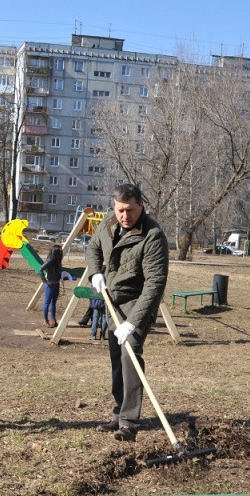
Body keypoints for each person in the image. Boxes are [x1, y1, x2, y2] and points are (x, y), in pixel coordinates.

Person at [86, 183, 169, 442]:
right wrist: (95, 272)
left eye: (130, 210)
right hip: (113, 303)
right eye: (120, 210)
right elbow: (93, 248)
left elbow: (155, 284)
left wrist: (132, 323)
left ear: (141, 205)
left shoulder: (152, 235)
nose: (125, 216)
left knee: (130, 355)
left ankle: (129, 423)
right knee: (116, 360)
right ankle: (119, 411)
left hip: (137, 303)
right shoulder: (109, 225)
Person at [39, 244, 63, 327]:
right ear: (55, 252)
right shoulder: (50, 260)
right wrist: (45, 281)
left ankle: (53, 320)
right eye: (59, 251)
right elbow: (40, 270)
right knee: (47, 303)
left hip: (56, 284)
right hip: (50, 284)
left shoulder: (58, 260)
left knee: (53, 302)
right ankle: (45, 320)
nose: (61, 253)